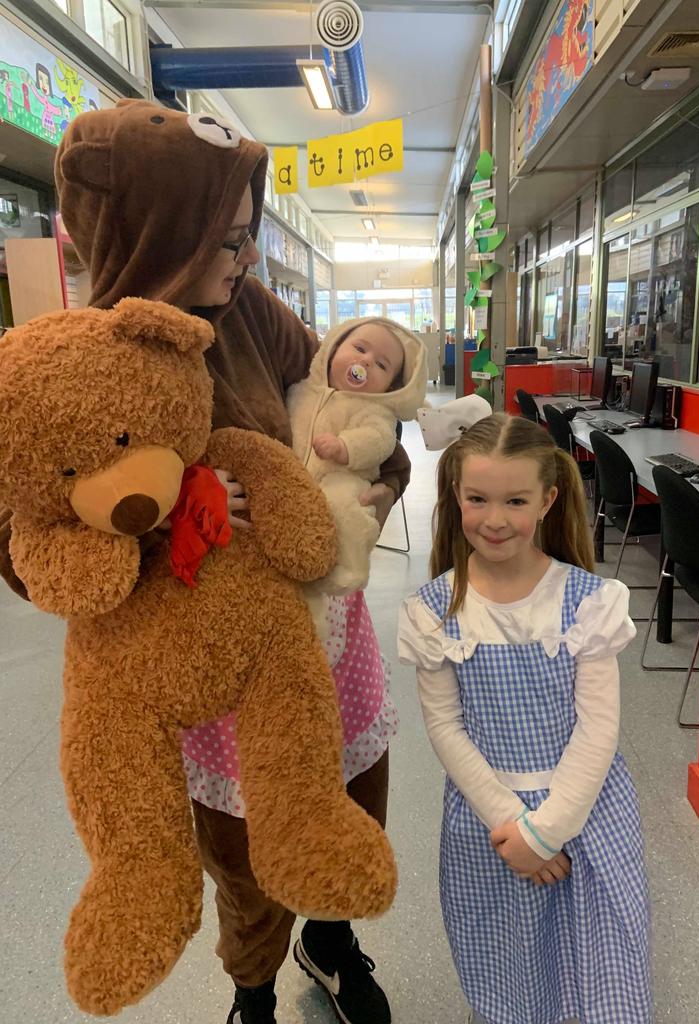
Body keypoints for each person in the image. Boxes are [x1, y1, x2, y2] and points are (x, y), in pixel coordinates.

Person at [0, 99, 405, 1024]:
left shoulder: (257, 316)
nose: (248, 259)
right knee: (243, 850)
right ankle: (253, 984)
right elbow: (21, 537)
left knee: (350, 800)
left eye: (250, 235)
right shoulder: (74, 361)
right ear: (158, 236)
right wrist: (161, 517)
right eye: (227, 241)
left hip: (322, 641)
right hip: (204, 669)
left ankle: (333, 939)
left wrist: (370, 477)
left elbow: (354, 411)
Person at [398, 413, 652, 1024]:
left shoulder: (589, 601)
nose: (495, 518)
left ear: (547, 500)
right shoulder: (433, 613)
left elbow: (598, 730)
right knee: (509, 974)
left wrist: (548, 831)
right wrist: (517, 830)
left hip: (587, 817)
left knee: (602, 974)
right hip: (490, 828)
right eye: (478, 498)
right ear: (455, 495)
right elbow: (445, 729)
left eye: (515, 500)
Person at [288, 315, 426, 595]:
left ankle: (349, 568)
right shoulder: (301, 389)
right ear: (334, 348)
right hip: (291, 478)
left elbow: (380, 440)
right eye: (360, 349)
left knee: (346, 510)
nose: (365, 362)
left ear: (389, 387)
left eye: (381, 365)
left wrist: (345, 446)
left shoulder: (374, 410)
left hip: (340, 476)